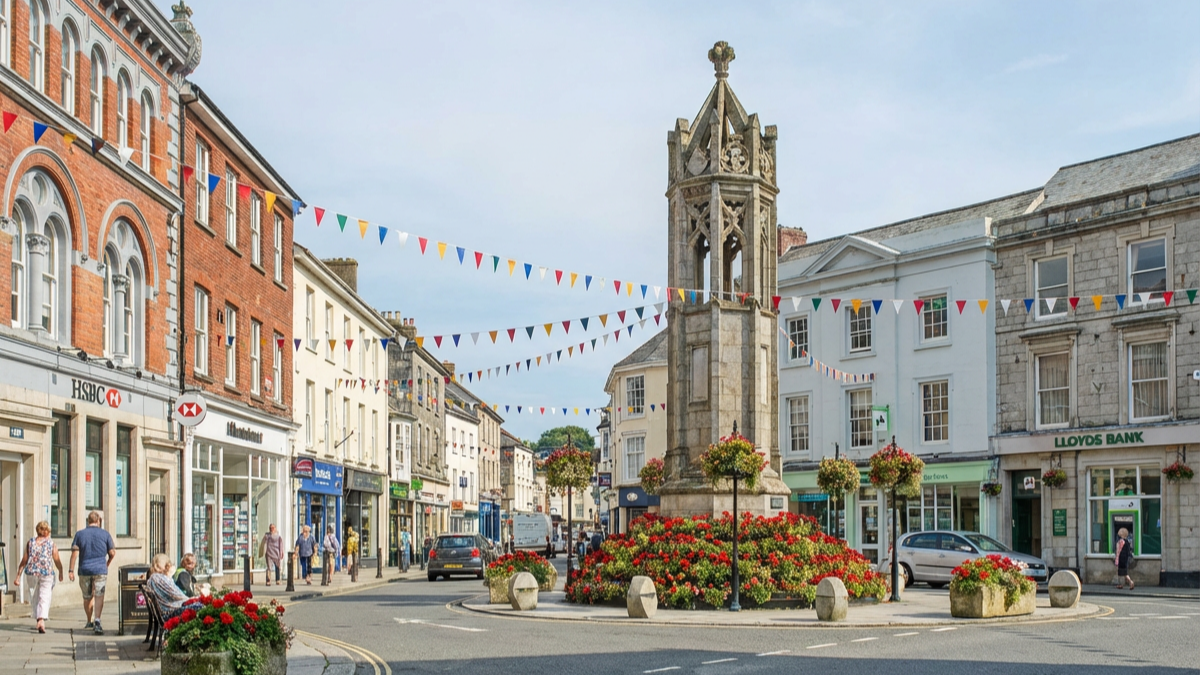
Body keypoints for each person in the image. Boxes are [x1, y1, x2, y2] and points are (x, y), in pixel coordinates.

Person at [69, 511, 116, 635]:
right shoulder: (105, 534)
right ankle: (98, 620)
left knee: (87, 596)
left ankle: (89, 620)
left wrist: (71, 570)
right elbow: (112, 553)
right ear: (99, 521)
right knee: (99, 595)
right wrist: (107, 563)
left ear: (87, 521)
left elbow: (74, 553)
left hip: (84, 570)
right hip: (100, 569)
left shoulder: (79, 534)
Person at [14, 521, 64, 634]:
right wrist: (61, 571)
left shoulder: (30, 542)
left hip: (32, 572)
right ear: (46, 532)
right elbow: (56, 559)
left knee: (34, 596)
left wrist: (18, 576)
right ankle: (41, 620)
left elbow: (24, 561)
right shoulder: (51, 543)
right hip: (47, 573)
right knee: (44, 596)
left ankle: (39, 619)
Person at [145, 554, 198, 621]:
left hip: (168, 610)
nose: (170, 565)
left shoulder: (155, 577)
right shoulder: (157, 577)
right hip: (170, 612)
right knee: (201, 606)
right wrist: (193, 599)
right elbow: (175, 594)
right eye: (168, 563)